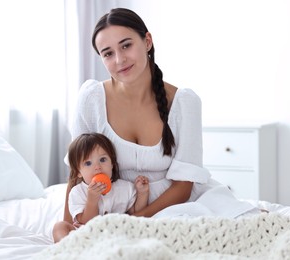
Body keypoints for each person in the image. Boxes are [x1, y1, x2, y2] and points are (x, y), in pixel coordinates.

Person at [53, 7, 259, 241]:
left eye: (126, 45)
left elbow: (183, 186)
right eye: (108, 53)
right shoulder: (91, 98)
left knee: (235, 234)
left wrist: (136, 220)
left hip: (172, 205)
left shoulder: (184, 103)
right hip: (114, 205)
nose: (119, 59)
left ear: (147, 41)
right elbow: (77, 171)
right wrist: (71, 227)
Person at [53, 133, 149, 242]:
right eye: (88, 163)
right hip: (86, 235)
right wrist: (92, 200)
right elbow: (85, 221)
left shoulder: (124, 187)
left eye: (103, 160)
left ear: (112, 164)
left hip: (114, 234)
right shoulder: (77, 192)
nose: (97, 167)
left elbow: (136, 213)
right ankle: (66, 247)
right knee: (60, 226)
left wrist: (142, 193)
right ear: (78, 172)